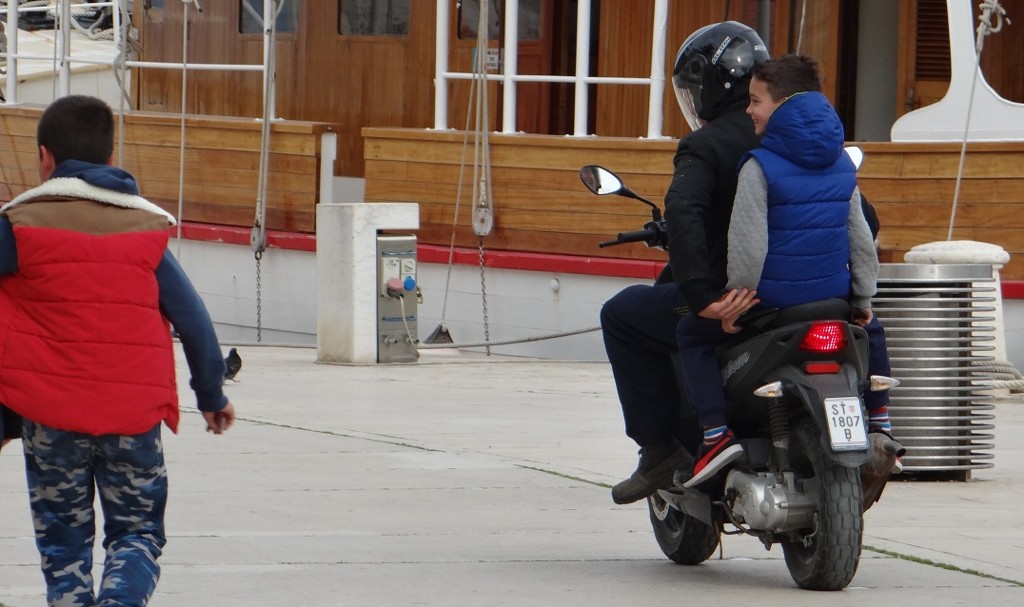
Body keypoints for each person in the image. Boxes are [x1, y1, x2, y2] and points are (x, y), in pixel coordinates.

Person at [0, 95, 237, 606]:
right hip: (133, 417)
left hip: (50, 417)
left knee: (63, 547)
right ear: (111, 159)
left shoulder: (17, 225)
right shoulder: (146, 228)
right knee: (137, 534)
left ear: (45, 158)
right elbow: (192, 318)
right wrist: (211, 393)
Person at [677, 54, 897, 488]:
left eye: (756, 100)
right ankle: (881, 421)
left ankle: (716, 435)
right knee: (873, 331)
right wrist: (863, 299)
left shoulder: (759, 165)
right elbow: (860, 237)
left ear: (781, 105)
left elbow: (749, 243)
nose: (748, 109)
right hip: (833, 300)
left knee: (690, 332)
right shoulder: (840, 162)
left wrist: (736, 297)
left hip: (773, 305)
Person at [600, 21, 768, 504]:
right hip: (811, 297)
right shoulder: (796, 137)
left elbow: (685, 213)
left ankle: (659, 448)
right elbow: (863, 217)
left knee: (622, 314)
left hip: (736, 299)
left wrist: (701, 296)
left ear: (714, 88)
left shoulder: (707, 144)